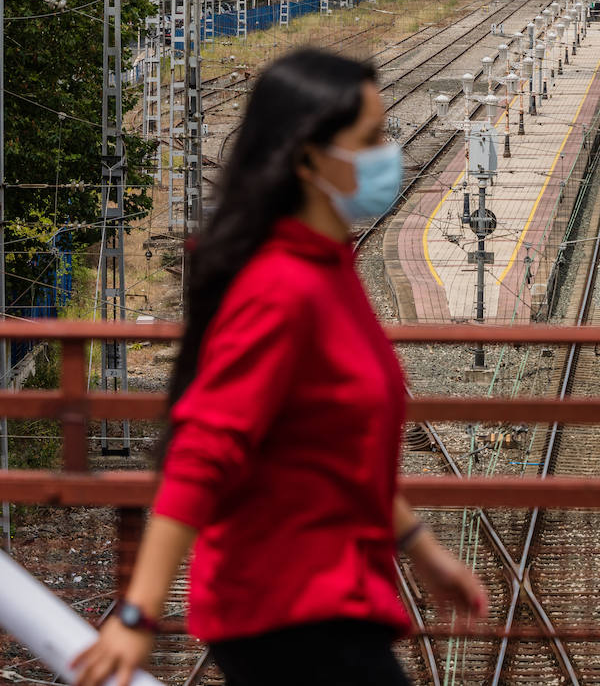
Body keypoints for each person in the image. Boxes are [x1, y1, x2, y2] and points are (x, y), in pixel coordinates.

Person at [73, 49, 487, 686]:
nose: (390, 154)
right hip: (289, 609)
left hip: (328, 598)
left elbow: (338, 449)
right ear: (308, 158)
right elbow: (204, 447)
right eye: (372, 138)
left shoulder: (329, 269)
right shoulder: (281, 289)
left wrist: (422, 551)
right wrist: (136, 613)